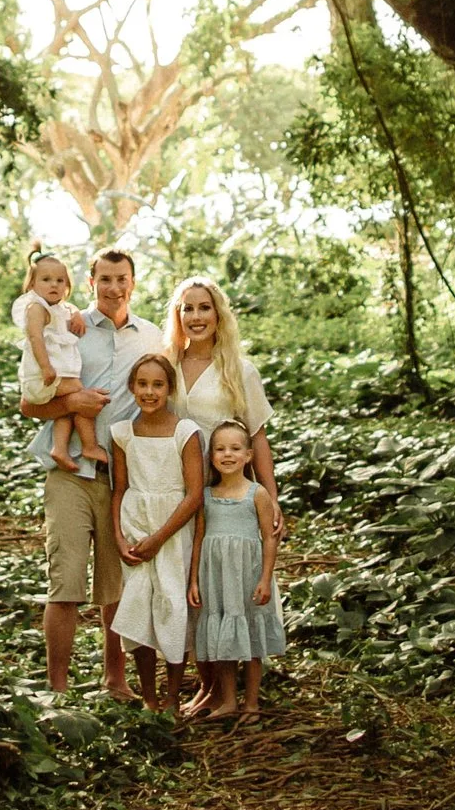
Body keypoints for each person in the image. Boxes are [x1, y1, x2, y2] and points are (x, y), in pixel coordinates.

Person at [18, 248, 160, 697]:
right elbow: (29, 405)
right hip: (72, 472)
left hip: (125, 478)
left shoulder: (153, 338)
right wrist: (72, 403)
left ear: (133, 282)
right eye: (105, 279)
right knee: (66, 581)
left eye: (122, 279)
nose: (114, 288)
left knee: (116, 584)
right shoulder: (68, 325)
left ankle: (115, 679)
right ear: (90, 282)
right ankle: (57, 690)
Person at [108, 353, 203, 713]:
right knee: (139, 609)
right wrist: (120, 538)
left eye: (158, 385)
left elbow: (194, 494)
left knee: (173, 606)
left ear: (169, 389)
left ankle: (173, 697)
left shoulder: (185, 432)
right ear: (132, 388)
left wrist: (160, 537)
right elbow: (119, 489)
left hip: (172, 530)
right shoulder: (122, 433)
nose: (149, 392)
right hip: (135, 526)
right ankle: (149, 697)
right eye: (142, 384)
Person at [187, 419, 285, 721]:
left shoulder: (257, 493)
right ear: (211, 456)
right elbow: (199, 537)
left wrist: (265, 578)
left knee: (251, 636)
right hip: (215, 577)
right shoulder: (206, 495)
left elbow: (269, 538)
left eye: (235, 448)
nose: (227, 454)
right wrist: (194, 580)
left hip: (248, 576)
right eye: (220, 449)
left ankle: (251, 704)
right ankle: (228, 701)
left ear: (248, 455)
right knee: (223, 636)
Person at [166, 276, 280, 504]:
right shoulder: (166, 367)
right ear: (178, 316)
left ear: (218, 314)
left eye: (205, 308)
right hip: (170, 489)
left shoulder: (240, 371)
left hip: (222, 492)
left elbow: (257, 437)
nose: (196, 317)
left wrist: (272, 500)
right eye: (188, 309)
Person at [13, 253, 101, 471]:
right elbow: (35, 338)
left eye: (60, 280)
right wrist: (46, 367)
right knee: (80, 395)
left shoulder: (57, 308)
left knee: (68, 404)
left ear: (67, 285)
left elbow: (67, 307)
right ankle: (89, 445)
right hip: (42, 377)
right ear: (32, 284)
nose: (54, 284)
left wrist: (76, 313)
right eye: (46, 279)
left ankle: (59, 449)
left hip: (49, 376)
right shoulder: (35, 308)